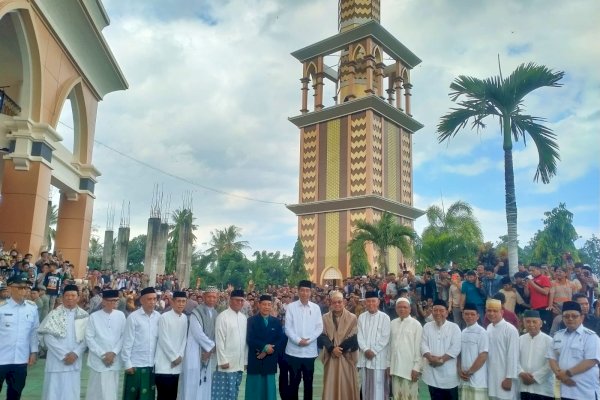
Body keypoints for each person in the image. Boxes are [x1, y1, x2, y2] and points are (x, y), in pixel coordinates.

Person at [38, 284, 89, 400]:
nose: (70, 298)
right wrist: (64, 355)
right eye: (67, 295)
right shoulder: (54, 314)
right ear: (62, 297)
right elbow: (48, 337)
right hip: (56, 361)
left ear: (78, 297)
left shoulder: (84, 316)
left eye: (73, 295)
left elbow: (87, 338)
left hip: (75, 361)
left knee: (71, 392)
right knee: (53, 392)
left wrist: (75, 353)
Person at [547, 300, 600, 399]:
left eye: (574, 316)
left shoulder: (591, 337)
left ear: (582, 317)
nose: (570, 319)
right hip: (564, 391)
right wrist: (561, 375)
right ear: (562, 318)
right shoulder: (558, 336)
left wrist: (567, 373)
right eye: (566, 316)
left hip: (585, 392)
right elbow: (552, 358)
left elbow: (591, 361)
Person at [0, 274, 39, 400]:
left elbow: (34, 332)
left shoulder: (32, 308)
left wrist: (33, 351)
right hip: (1, 358)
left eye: (26, 288)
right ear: (9, 288)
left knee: (15, 394)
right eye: (20, 288)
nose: (24, 291)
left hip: (20, 360)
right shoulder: (1, 308)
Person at [284, 280, 323, 400]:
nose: (305, 293)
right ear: (298, 291)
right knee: (294, 383)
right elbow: (287, 328)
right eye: (302, 290)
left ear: (311, 292)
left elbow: (319, 327)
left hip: (310, 352)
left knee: (308, 383)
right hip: (293, 352)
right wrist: (298, 340)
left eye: (307, 290)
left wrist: (309, 340)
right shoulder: (291, 307)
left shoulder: (316, 308)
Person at [84, 289, 126, 400]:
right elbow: (89, 338)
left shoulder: (121, 315)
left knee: (112, 391)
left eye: (115, 301)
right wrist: (103, 354)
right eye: (109, 301)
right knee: (95, 391)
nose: (112, 303)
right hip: (98, 360)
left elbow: (123, 336)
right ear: (103, 301)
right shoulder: (94, 316)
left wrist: (114, 352)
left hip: (114, 359)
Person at [318, 291, 360, 400]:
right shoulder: (325, 318)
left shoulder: (352, 318)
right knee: (331, 383)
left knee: (347, 384)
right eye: (334, 302)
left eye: (339, 302)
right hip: (331, 356)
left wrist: (339, 350)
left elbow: (354, 336)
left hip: (346, 357)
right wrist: (332, 349)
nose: (337, 304)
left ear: (344, 302)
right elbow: (322, 335)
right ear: (330, 303)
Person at [180, 286, 219, 400]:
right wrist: (210, 347)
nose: (212, 299)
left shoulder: (215, 313)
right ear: (204, 297)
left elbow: (216, 333)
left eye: (214, 297)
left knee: (204, 384)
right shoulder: (196, 312)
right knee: (192, 383)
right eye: (209, 296)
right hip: (194, 352)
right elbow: (198, 334)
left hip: (207, 354)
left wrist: (209, 350)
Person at [121, 287, 160, 400]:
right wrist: (127, 363)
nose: (152, 302)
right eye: (149, 299)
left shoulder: (159, 317)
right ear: (142, 300)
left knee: (148, 396)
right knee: (132, 396)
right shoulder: (133, 317)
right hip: (135, 365)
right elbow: (127, 341)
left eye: (154, 299)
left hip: (151, 365)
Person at [245, 294, 286, 400]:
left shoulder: (276, 322)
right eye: (264, 304)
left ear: (271, 306)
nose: (266, 307)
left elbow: (280, 339)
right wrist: (263, 347)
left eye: (269, 305)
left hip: (270, 359)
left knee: (269, 389)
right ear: (259, 305)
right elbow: (250, 338)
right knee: (254, 389)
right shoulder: (251, 321)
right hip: (256, 358)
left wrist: (268, 350)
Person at [421, 299, 461, 400]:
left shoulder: (454, 327)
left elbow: (456, 348)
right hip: (432, 373)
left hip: (449, 375)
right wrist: (430, 358)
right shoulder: (427, 327)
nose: (438, 313)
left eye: (441, 310)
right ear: (432, 312)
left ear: (447, 313)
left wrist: (441, 360)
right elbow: (423, 345)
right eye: (435, 310)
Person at [212, 289, 248, 400]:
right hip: (226, 363)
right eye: (237, 300)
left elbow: (245, 342)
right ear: (230, 301)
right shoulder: (223, 317)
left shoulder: (243, 318)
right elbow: (219, 340)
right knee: (222, 394)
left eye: (242, 301)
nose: (240, 303)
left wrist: (245, 361)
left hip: (239, 363)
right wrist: (222, 360)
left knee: (234, 392)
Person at [358, 291, 391, 400]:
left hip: (379, 359)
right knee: (365, 388)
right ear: (365, 303)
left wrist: (374, 351)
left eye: (373, 301)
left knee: (379, 389)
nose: (371, 303)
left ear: (378, 302)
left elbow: (385, 337)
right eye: (368, 301)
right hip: (365, 357)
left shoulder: (385, 317)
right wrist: (366, 349)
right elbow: (360, 336)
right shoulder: (361, 317)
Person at [154, 291, 188, 400]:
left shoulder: (184, 318)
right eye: (178, 301)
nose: (181, 304)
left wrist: (180, 356)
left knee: (173, 396)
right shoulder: (164, 317)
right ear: (172, 302)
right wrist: (173, 357)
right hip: (164, 364)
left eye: (183, 301)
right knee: (163, 396)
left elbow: (184, 340)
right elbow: (163, 339)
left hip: (177, 365)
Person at [388, 297, 422, 400]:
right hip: (395, 367)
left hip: (410, 369)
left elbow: (419, 348)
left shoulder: (416, 325)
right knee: (397, 396)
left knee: (410, 396)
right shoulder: (392, 323)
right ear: (396, 309)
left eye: (405, 307)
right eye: (399, 307)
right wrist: (388, 364)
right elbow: (389, 346)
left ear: (410, 309)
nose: (402, 309)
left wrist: (417, 367)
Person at [485, 298, 519, 400]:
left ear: (502, 312)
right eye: (489, 311)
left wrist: (509, 378)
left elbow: (513, 355)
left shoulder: (510, 330)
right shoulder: (489, 328)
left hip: (505, 377)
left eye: (495, 311)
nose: (491, 313)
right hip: (491, 375)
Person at [518, 310, 554, 400]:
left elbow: (550, 364)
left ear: (540, 323)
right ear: (524, 323)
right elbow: (514, 359)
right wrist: (521, 373)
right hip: (522, 387)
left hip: (543, 390)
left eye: (534, 321)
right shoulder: (519, 340)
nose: (531, 324)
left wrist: (535, 378)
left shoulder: (549, 341)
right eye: (528, 321)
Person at [457, 303, 488, 400]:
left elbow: (483, 356)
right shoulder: (463, 332)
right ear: (463, 315)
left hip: (478, 380)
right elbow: (459, 355)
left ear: (478, 316)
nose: (469, 316)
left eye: (472, 314)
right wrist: (459, 370)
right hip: (464, 380)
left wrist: (470, 372)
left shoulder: (482, 332)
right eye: (466, 314)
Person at [527, 264, 552, 333]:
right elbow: (527, 294)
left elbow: (546, 292)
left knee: (544, 329)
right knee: (536, 329)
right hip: (534, 308)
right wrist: (526, 285)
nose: (531, 272)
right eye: (529, 271)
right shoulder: (531, 280)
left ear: (539, 270)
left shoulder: (544, 278)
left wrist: (532, 284)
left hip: (544, 308)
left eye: (533, 270)